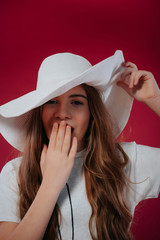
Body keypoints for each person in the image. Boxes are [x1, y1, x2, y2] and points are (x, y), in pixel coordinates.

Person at [0, 50, 159, 240]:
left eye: (76, 102)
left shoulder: (126, 160)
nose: (63, 113)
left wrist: (155, 99)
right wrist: (51, 183)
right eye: (51, 101)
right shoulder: (14, 173)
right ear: (40, 113)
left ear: (91, 112)